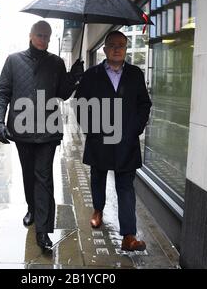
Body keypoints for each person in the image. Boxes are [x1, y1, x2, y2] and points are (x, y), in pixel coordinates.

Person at [0, 20, 83, 250]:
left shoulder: (56, 62)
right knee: (28, 174)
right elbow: (3, 92)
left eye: (48, 36)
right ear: (31, 35)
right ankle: (32, 208)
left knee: (43, 177)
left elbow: (62, 94)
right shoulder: (13, 60)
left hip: (48, 130)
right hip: (21, 131)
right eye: (41, 35)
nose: (44, 39)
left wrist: (73, 77)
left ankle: (43, 231)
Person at [74, 30, 152, 251]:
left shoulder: (135, 74)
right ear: (105, 49)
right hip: (100, 139)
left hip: (126, 141)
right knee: (97, 177)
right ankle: (98, 210)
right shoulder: (91, 74)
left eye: (122, 45)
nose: (117, 48)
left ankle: (128, 235)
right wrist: (92, 129)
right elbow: (80, 103)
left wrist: (134, 129)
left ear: (126, 49)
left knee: (125, 187)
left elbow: (144, 104)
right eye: (113, 45)